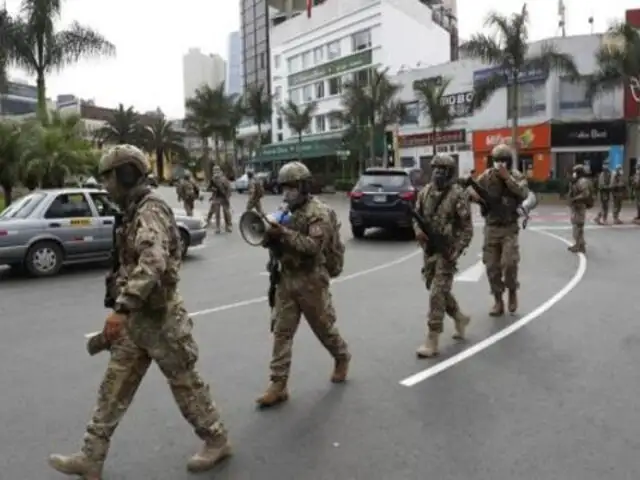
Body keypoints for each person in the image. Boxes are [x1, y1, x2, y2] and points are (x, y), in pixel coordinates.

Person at [48, 145, 231, 479]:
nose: (105, 185)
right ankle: (91, 457)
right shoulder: (132, 210)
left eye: (110, 177)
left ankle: (216, 440)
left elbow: (153, 262)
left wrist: (122, 308)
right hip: (137, 322)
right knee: (112, 388)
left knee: (186, 385)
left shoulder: (150, 211)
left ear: (128, 174)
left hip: (161, 321)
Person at [256, 161, 350, 408]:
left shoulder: (318, 213)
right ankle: (278, 384)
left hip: (311, 280)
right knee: (282, 331)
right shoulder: (284, 209)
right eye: (284, 187)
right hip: (287, 278)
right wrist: (268, 236)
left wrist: (283, 234)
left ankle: (341, 356)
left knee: (323, 327)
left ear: (304, 187)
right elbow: (274, 241)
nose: (288, 192)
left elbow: (313, 247)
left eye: (293, 187)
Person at [414, 155, 473, 358]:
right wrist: (418, 232)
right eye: (436, 168)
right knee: (436, 288)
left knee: (437, 293)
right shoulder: (424, 193)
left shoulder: (458, 195)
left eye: (443, 169)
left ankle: (432, 339)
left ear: (450, 172)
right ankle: (459, 316)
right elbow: (417, 217)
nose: (438, 172)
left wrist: (457, 249)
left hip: (447, 250)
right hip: (429, 250)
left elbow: (467, 228)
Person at [468, 144, 529, 316]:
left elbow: (523, 193)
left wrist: (507, 178)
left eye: (503, 161)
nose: (500, 164)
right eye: (497, 161)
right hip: (492, 228)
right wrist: (473, 196)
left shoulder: (516, 176)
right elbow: (474, 192)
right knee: (491, 267)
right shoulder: (486, 177)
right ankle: (497, 300)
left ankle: (512, 292)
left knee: (509, 263)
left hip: (509, 227)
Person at [568, 164, 594, 253]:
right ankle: (578, 244)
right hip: (576, 206)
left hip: (580, 206)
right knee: (576, 225)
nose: (573, 174)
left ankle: (581, 245)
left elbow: (585, 194)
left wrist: (575, 199)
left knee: (578, 226)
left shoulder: (582, 181)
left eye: (575, 172)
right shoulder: (577, 181)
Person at [206, 165, 232, 233]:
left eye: (217, 170)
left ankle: (227, 226)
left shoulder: (224, 179)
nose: (216, 172)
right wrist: (213, 189)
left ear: (220, 171)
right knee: (217, 213)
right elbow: (208, 188)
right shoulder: (213, 179)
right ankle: (218, 227)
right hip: (216, 197)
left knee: (226, 212)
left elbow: (229, 189)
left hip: (224, 198)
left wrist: (227, 197)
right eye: (214, 170)